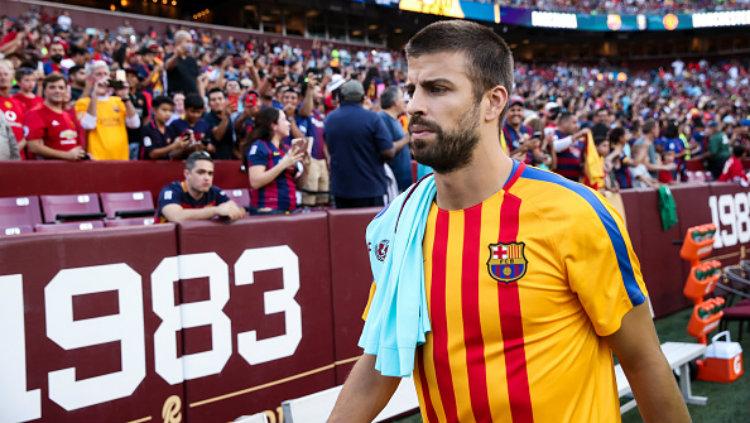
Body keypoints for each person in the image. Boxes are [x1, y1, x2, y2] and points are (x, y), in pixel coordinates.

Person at [328, 20, 690, 423]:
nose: (413, 105)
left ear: (492, 102)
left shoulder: (572, 212)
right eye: (412, 89)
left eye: (437, 88)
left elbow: (643, 360)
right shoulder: (401, 223)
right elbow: (379, 361)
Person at [324, 80, 395, 208]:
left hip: (341, 189)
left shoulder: (329, 119)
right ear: (363, 98)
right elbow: (389, 152)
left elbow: (329, 148)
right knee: (371, 227)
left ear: (340, 97)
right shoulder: (373, 118)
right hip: (371, 188)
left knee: (344, 228)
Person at [243, 106, 305, 213]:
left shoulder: (286, 148)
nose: (289, 123)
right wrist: (283, 164)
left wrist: (306, 166)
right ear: (273, 125)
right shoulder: (259, 147)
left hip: (290, 210)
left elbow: (300, 184)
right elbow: (255, 181)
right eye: (284, 120)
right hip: (268, 211)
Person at [74, 61, 140, 160]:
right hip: (97, 157)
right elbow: (89, 125)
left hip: (121, 157)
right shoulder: (83, 102)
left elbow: (135, 124)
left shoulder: (119, 101)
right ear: (91, 79)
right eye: (98, 74)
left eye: (105, 74)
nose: (103, 77)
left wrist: (125, 97)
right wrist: (95, 94)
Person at [157, 151, 246, 223]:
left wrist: (235, 211)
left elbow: (233, 209)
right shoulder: (171, 191)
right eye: (201, 172)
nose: (207, 178)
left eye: (210, 173)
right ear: (187, 174)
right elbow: (176, 216)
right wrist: (216, 210)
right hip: (162, 242)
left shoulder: (214, 191)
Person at [25, 73, 86, 160]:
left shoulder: (68, 115)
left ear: (65, 91)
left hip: (70, 169)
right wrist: (66, 155)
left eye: (61, 88)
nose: (57, 91)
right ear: (44, 91)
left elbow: (76, 144)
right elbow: (33, 146)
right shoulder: (35, 113)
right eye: (52, 87)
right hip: (48, 170)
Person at [378, 86, 412, 193]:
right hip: (394, 182)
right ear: (395, 102)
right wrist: (406, 139)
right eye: (402, 97)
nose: (405, 100)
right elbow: (387, 148)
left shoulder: (395, 119)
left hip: (403, 181)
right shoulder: (382, 119)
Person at [166, 93, 213, 159]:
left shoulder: (205, 125)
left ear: (202, 111)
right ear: (185, 109)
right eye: (192, 112)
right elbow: (170, 153)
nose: (195, 115)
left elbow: (212, 148)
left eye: (198, 112)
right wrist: (186, 149)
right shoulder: (175, 125)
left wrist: (204, 146)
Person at [143, 96, 186, 160]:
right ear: (154, 110)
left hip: (166, 168)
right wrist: (173, 146)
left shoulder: (170, 129)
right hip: (148, 168)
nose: (168, 114)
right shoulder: (147, 129)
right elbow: (152, 154)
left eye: (171, 111)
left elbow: (172, 154)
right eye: (164, 110)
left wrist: (184, 146)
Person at [0, 60, 26, 158]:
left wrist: (14, 149)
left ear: (12, 77)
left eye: (5, 74)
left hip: (20, 159)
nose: (2, 77)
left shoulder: (20, 104)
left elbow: (27, 133)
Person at [202, 87, 236, 159]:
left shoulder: (230, 116)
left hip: (230, 159)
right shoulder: (206, 118)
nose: (217, 102)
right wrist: (225, 118)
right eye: (213, 100)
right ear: (209, 104)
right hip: (215, 160)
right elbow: (217, 136)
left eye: (220, 99)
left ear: (225, 101)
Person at [166, 30, 200, 96]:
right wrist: (176, 55)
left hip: (192, 98)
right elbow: (168, 66)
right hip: (177, 98)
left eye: (191, 42)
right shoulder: (170, 56)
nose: (190, 44)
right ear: (178, 43)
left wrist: (201, 98)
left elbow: (197, 81)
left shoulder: (192, 60)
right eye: (188, 41)